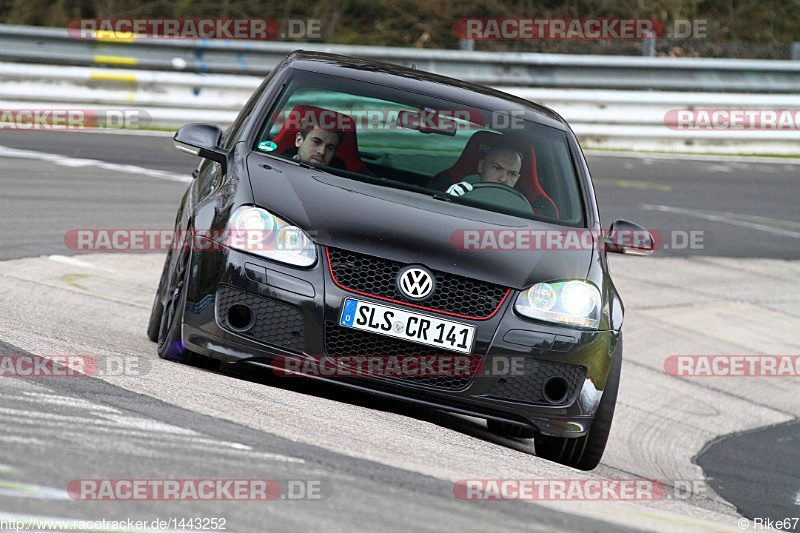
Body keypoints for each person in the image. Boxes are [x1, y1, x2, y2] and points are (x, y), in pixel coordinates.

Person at [445, 145, 522, 197]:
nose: (503, 179)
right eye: (497, 168)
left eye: (512, 174)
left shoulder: (522, 209)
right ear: (481, 166)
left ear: (517, 178)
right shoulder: (460, 193)